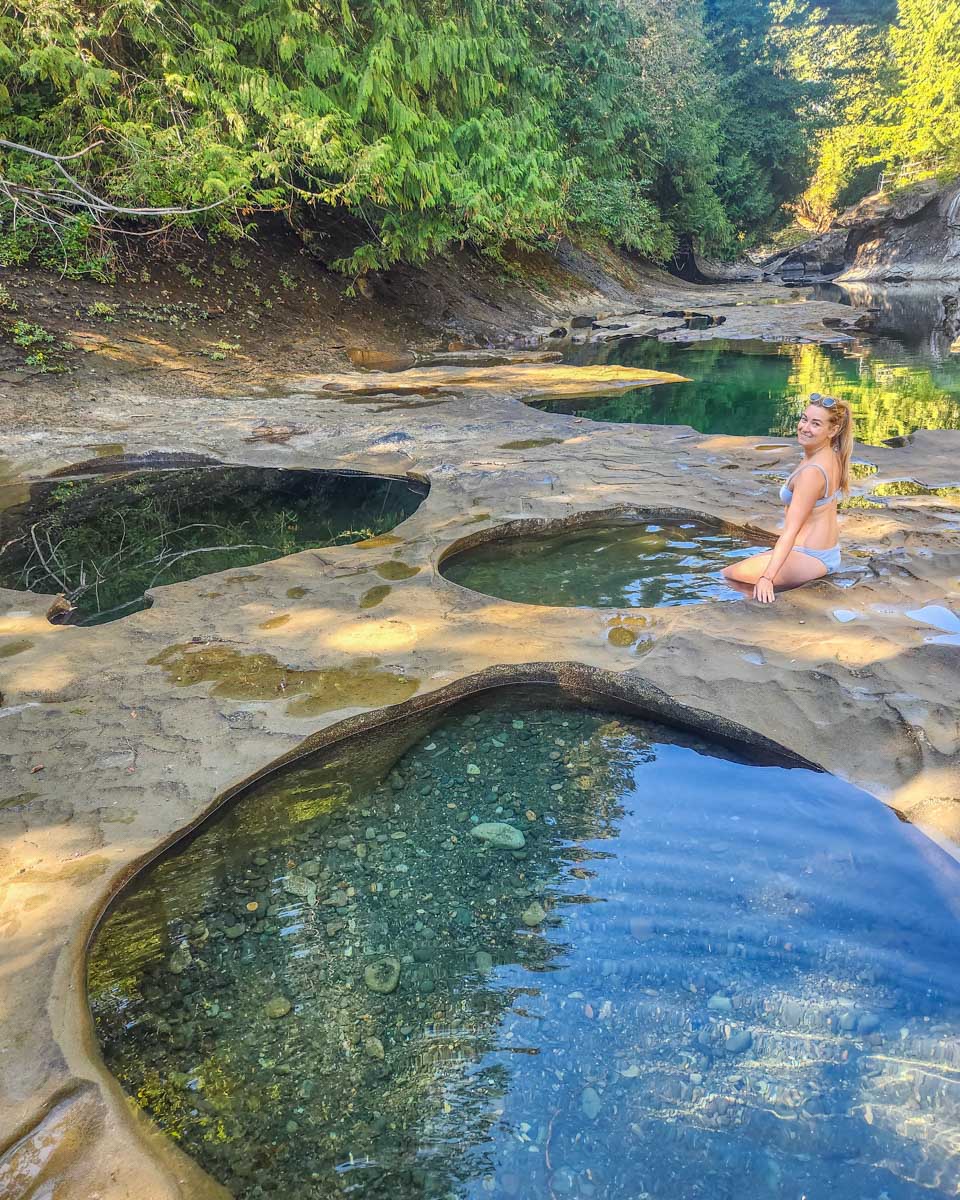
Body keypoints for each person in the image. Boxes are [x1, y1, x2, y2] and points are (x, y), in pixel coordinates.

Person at [722, 392, 853, 603]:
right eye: (804, 419)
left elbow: (791, 530)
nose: (805, 427)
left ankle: (758, 613)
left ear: (833, 430)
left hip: (812, 558)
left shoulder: (812, 472)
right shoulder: (829, 454)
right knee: (742, 570)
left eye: (816, 424)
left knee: (727, 576)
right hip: (819, 552)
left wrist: (767, 578)